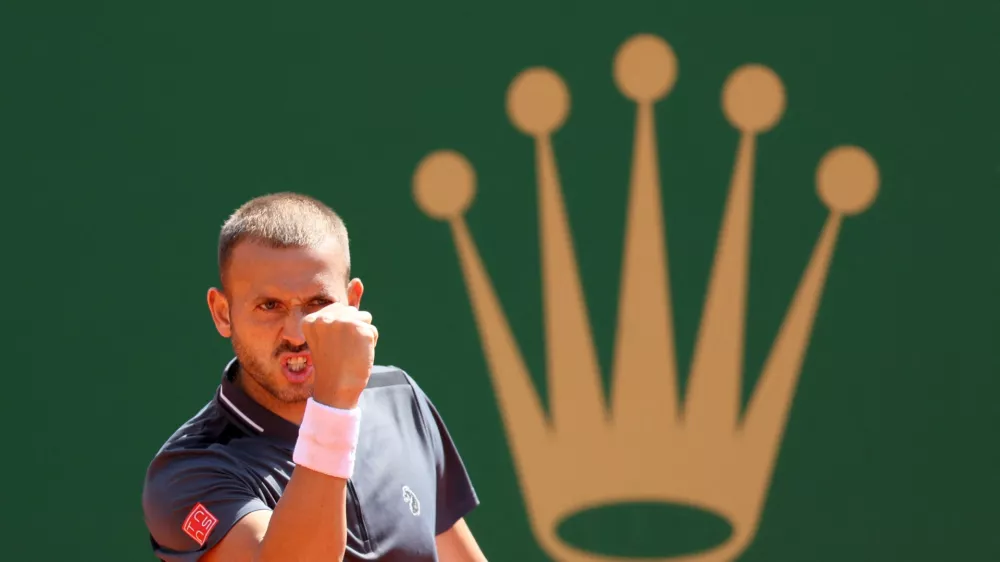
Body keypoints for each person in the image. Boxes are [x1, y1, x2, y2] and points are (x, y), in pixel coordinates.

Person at [141, 193, 487, 561]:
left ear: (352, 303)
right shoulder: (186, 473)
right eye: (269, 306)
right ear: (223, 313)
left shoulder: (400, 397)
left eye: (317, 304)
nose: (296, 332)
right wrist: (334, 405)